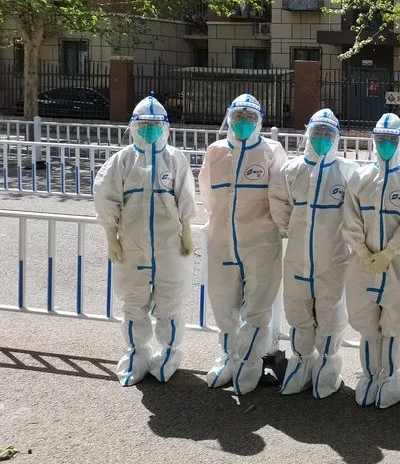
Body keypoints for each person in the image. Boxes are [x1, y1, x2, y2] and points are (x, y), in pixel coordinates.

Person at [94, 95, 196, 386]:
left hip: (169, 245)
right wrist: (111, 236)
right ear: (134, 126)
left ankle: (168, 354)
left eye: (155, 124)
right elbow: (106, 197)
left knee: (170, 301)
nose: (149, 129)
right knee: (133, 301)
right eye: (144, 124)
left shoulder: (174, 159)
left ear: (165, 127)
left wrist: (187, 230)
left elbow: (186, 195)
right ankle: (137, 353)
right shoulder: (122, 160)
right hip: (132, 245)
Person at [199, 94, 288, 394]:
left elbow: (280, 196)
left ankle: (249, 362)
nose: (243, 122)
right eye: (238, 117)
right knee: (224, 304)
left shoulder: (270, 151)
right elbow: (208, 194)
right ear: (229, 118)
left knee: (257, 307)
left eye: (250, 117)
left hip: (261, 243)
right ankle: (227, 357)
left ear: (259, 121)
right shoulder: (215, 152)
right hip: (222, 241)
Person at [269, 108, 357, 398]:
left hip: (333, 257)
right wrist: (292, 230)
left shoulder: (347, 171)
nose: (321, 137)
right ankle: (302, 362)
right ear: (308, 134)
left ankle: (327, 367)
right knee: (298, 308)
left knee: (331, 312)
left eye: (327, 133)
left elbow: (355, 214)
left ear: (336, 137)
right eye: (317, 132)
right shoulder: (292, 170)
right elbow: (279, 204)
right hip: (298, 256)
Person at [342, 113, 400, 408]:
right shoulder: (360, 177)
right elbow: (350, 218)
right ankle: (370, 376)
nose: (385, 144)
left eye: (391, 140)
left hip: (397, 265)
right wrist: (364, 252)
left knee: (394, 321)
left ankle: (390, 377)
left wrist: (390, 252)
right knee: (366, 321)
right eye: (381, 139)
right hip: (362, 264)